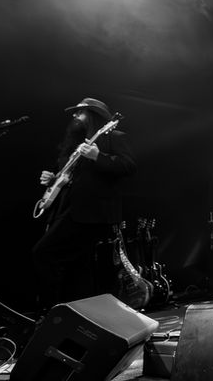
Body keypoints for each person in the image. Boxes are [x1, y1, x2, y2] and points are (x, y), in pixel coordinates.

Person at [32, 97, 135, 311]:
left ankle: (49, 309)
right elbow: (68, 177)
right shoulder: (74, 145)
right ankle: (71, 313)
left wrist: (99, 156)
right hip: (67, 210)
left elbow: (128, 166)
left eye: (80, 112)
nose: (75, 116)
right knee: (76, 267)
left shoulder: (112, 137)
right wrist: (53, 180)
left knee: (44, 253)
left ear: (93, 115)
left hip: (92, 213)